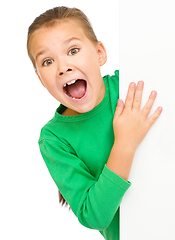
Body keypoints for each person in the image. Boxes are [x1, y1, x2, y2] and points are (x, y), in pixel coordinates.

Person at [27, 6, 162, 240]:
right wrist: (124, 143)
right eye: (48, 61)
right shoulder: (53, 139)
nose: (63, 67)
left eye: (73, 50)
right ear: (40, 78)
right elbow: (95, 216)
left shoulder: (130, 85)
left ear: (99, 53)